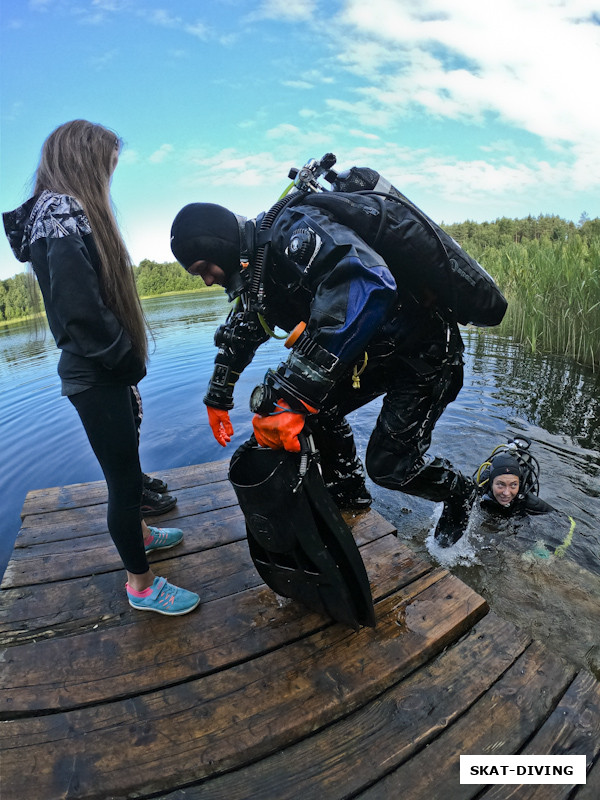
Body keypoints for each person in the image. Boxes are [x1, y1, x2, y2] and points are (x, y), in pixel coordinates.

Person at [169, 155, 507, 541]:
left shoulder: (293, 231)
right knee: (317, 413)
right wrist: (218, 396)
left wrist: (292, 395)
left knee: (390, 467)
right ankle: (349, 497)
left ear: (218, 244)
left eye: (202, 269)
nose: (208, 281)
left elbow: (363, 280)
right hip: (371, 356)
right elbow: (245, 326)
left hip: (426, 354)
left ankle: (459, 493)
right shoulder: (258, 270)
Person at [3, 120, 199, 616]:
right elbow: (80, 312)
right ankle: (141, 586)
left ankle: (140, 534)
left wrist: (127, 377)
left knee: (129, 471)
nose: (109, 178)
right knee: (125, 482)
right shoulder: (62, 210)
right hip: (95, 373)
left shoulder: (58, 212)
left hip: (102, 374)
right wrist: (126, 361)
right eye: (107, 166)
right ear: (84, 159)